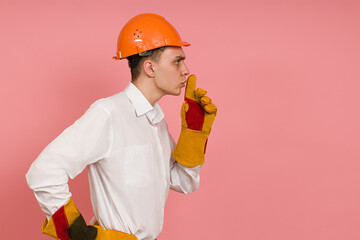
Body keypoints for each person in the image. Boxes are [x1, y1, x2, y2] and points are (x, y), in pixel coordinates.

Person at [26, 13, 217, 240]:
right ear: (150, 68)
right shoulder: (109, 114)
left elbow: (184, 182)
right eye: (177, 61)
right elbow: (43, 172)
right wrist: (80, 235)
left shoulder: (157, 122)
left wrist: (194, 133)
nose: (186, 70)